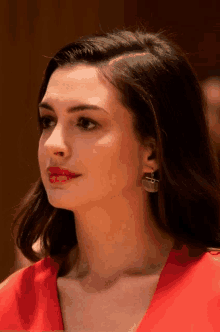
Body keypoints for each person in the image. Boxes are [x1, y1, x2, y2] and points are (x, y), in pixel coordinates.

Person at [1, 26, 220, 331]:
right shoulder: (12, 302)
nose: (52, 143)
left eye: (86, 122)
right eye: (48, 121)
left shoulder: (214, 293)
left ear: (152, 153)